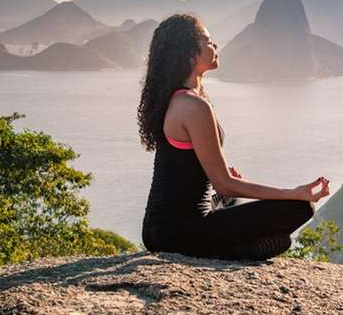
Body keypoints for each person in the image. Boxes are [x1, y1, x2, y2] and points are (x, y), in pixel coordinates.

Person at [138, 13, 330, 261]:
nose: (215, 45)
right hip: (181, 234)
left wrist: (224, 181)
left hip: (160, 230)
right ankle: (235, 251)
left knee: (236, 203)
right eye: (208, 41)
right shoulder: (193, 106)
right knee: (301, 208)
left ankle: (238, 246)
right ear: (189, 52)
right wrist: (294, 192)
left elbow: (187, 168)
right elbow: (223, 184)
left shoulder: (177, 98)